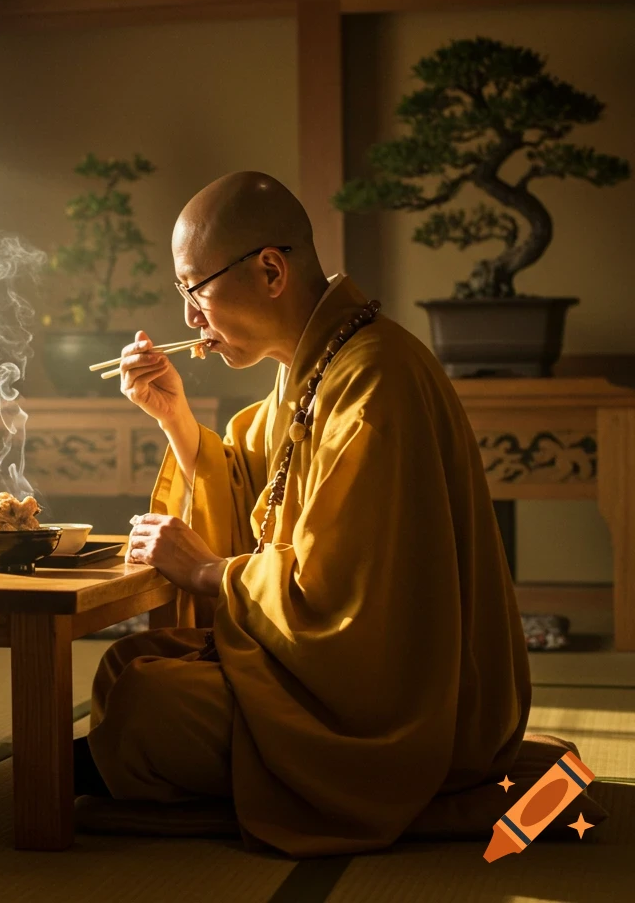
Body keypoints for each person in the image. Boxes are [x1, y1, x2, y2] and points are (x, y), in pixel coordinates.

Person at [75, 171, 532, 856]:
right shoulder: (311, 369)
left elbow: (344, 599)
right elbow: (253, 490)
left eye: (196, 290)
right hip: (325, 673)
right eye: (182, 294)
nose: (190, 319)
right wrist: (174, 416)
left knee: (146, 704)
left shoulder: (375, 381)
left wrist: (208, 574)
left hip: (392, 707)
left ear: (270, 270)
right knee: (128, 668)